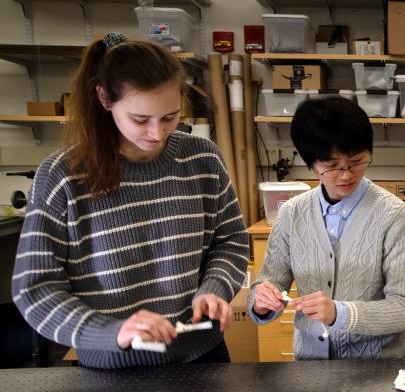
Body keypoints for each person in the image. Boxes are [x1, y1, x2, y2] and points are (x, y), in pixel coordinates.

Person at [12, 33, 249, 368]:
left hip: (201, 357)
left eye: (170, 116)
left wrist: (214, 288)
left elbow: (230, 241)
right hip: (110, 368)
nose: (157, 132)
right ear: (105, 99)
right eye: (140, 120)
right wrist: (113, 332)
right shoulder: (63, 176)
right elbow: (35, 290)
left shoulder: (203, 160)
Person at [248, 96, 405, 359]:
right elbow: (267, 285)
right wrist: (261, 303)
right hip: (311, 367)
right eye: (331, 166)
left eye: (356, 161)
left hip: (376, 369)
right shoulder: (291, 215)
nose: (346, 175)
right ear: (311, 164)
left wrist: (340, 313)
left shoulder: (395, 217)